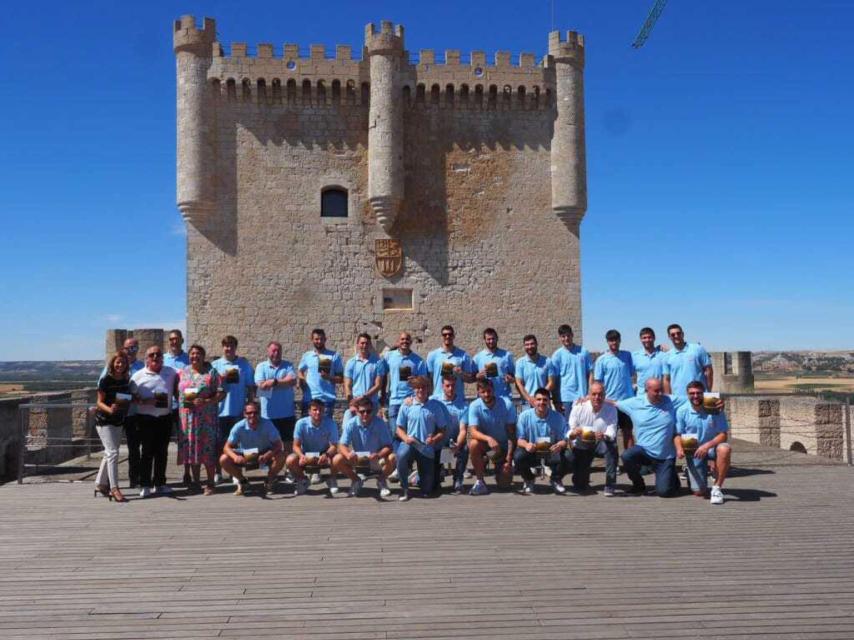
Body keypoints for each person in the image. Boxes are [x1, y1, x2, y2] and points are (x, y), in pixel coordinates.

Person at [617, 379, 680, 497]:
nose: (660, 393)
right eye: (656, 391)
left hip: (664, 456)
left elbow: (693, 400)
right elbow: (615, 403)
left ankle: (671, 476)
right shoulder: (635, 403)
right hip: (644, 451)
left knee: (664, 492)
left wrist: (716, 401)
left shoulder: (670, 400)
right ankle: (638, 484)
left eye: (661, 390)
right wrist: (590, 398)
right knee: (627, 456)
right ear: (647, 391)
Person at [130, 346, 178, 498]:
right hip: (145, 419)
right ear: (147, 359)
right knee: (147, 452)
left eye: (158, 354)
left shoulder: (170, 372)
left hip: (164, 418)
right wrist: (144, 401)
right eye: (152, 355)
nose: (155, 357)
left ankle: (160, 483)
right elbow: (130, 397)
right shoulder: (138, 376)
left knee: (162, 452)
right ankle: (145, 484)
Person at [177, 344, 224, 496]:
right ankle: (196, 482)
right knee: (192, 451)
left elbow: (221, 393)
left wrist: (207, 401)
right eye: (192, 354)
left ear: (203, 356)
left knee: (208, 450)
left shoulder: (211, 372)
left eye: (198, 354)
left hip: (206, 419)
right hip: (188, 420)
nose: (194, 356)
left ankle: (210, 483)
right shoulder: (183, 372)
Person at [676, 381, 731, 505]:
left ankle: (717, 488)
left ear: (704, 393)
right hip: (694, 451)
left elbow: (723, 435)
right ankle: (692, 474)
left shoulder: (714, 407)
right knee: (699, 492)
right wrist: (679, 448)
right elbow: (678, 434)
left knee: (725, 448)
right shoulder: (682, 411)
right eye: (692, 393)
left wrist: (707, 446)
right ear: (687, 394)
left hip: (712, 447)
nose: (695, 396)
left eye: (699, 393)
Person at [395, 376, 448, 501]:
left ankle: (418, 478)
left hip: (426, 447)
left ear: (428, 389)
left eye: (423, 387)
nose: (421, 390)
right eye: (418, 388)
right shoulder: (407, 405)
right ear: (414, 389)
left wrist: (434, 439)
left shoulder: (435, 406)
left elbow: (442, 430)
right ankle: (405, 488)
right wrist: (405, 438)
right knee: (401, 455)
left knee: (427, 489)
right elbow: (399, 428)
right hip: (410, 442)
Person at [100, 337, 144, 487]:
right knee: (112, 450)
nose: (130, 351)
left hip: (132, 413)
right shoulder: (110, 368)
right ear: (123, 349)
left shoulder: (142, 367)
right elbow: (101, 389)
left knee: (134, 448)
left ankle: (134, 480)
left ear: (138, 349)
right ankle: (106, 482)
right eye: (128, 348)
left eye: (134, 348)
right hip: (114, 415)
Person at [212, 335, 255, 482]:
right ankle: (218, 472)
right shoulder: (216, 365)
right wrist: (220, 380)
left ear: (235, 347)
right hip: (220, 411)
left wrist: (250, 405)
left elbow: (250, 386)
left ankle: (234, 472)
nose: (228, 348)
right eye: (225, 345)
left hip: (238, 411)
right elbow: (211, 388)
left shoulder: (244, 364)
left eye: (231, 345)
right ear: (222, 347)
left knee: (236, 444)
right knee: (219, 443)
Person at [220, 401, 286, 496]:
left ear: (259, 413)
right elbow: (226, 447)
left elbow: (278, 445)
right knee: (224, 459)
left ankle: (270, 480)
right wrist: (235, 457)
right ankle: (242, 481)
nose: (252, 415)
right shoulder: (238, 426)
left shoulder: (267, 424)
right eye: (249, 413)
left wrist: (268, 454)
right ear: (244, 414)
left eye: (255, 412)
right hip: (246, 454)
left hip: (264, 452)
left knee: (281, 455)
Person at [333, 397, 395, 498]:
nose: (365, 414)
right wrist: (348, 454)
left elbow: (389, 446)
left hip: (375, 459)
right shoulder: (351, 423)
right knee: (337, 459)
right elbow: (342, 445)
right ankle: (356, 480)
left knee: (392, 458)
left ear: (372, 411)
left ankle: (381, 481)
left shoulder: (380, 423)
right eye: (362, 412)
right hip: (358, 459)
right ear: (357, 412)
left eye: (368, 411)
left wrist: (378, 455)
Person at [566, 381, 619, 496]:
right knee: (580, 485)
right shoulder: (578, 407)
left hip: (600, 443)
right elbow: (570, 430)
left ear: (604, 395)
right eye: (594, 394)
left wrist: (604, 436)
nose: (597, 397)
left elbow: (612, 431)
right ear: (588, 395)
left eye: (600, 394)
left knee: (612, 446)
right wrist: (574, 433)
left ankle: (610, 484)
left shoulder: (611, 409)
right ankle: (578, 479)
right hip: (582, 444)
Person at [467, 379, 517, 496]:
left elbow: (512, 434)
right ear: (478, 392)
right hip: (487, 447)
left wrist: (509, 459)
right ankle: (480, 481)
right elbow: (473, 432)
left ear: (493, 390)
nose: (486, 394)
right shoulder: (474, 406)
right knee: (473, 444)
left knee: (504, 485)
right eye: (483, 392)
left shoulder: (507, 404)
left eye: (489, 391)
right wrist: (489, 439)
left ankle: (499, 469)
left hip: (503, 449)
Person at [514, 388, 568, 494]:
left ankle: (556, 479)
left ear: (549, 401)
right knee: (518, 456)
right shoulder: (524, 416)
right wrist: (526, 445)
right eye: (538, 399)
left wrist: (561, 444)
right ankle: (529, 479)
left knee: (569, 456)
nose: (541, 402)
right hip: (532, 452)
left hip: (551, 452)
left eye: (545, 399)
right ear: (534, 400)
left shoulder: (558, 417)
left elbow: (564, 439)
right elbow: (519, 440)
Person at [93, 351, 131, 502]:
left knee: (109, 453)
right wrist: (109, 409)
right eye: (117, 362)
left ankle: (99, 483)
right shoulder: (105, 380)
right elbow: (99, 402)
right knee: (114, 453)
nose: (120, 365)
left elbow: (126, 398)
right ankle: (114, 488)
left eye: (122, 362)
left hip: (118, 420)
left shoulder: (125, 380)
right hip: (104, 420)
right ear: (112, 363)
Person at [287, 399, 340, 495]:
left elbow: (334, 446)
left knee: (338, 458)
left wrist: (326, 454)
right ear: (309, 412)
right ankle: (303, 480)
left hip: (324, 452)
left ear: (324, 411)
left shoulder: (331, 424)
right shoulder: (300, 423)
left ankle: (332, 479)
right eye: (315, 410)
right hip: (306, 453)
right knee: (290, 460)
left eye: (320, 410)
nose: (318, 412)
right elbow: (295, 445)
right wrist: (301, 455)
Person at [593, 330, 636, 448]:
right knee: (610, 434)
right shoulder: (601, 360)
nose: (614, 342)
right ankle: (613, 463)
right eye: (611, 340)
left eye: (616, 340)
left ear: (620, 340)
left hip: (627, 401)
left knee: (628, 432)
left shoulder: (627, 355)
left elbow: (632, 373)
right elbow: (598, 383)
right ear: (607, 342)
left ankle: (630, 464)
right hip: (609, 402)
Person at [254, 341, 298, 453]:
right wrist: (283, 382)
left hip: (287, 412)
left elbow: (292, 381)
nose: (276, 353)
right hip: (268, 414)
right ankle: (271, 467)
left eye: (279, 350)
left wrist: (273, 382)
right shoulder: (261, 367)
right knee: (269, 443)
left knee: (288, 442)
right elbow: (261, 386)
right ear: (268, 351)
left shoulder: (288, 365)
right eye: (274, 350)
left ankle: (289, 468)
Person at [383, 331, 427, 426]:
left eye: (407, 339)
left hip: (411, 401)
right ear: (398, 342)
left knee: (410, 433)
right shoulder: (389, 356)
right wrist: (383, 395)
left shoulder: (418, 361)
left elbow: (424, 381)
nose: (405, 341)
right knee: (394, 433)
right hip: (394, 401)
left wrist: (415, 379)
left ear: (411, 342)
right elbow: (381, 374)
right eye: (402, 339)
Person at [434, 376, 469, 494]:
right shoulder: (434, 401)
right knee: (431, 485)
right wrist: (409, 400)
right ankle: (435, 478)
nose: (450, 388)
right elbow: (417, 400)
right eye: (447, 386)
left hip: (454, 440)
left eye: (453, 386)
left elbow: (463, 429)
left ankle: (458, 480)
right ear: (442, 386)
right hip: (437, 440)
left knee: (464, 448)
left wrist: (458, 444)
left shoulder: (463, 405)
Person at [298, 328, 344, 417]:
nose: (319, 341)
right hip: (309, 399)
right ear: (312, 340)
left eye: (321, 339)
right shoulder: (307, 356)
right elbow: (300, 370)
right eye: (316, 339)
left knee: (325, 430)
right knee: (307, 428)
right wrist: (302, 379)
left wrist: (329, 377)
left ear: (325, 339)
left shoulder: (334, 356)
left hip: (326, 400)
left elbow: (341, 379)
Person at [426, 325, 476, 404]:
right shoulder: (432, 355)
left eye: (450, 334)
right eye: (445, 335)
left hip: (457, 399)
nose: (447, 336)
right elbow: (429, 379)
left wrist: (461, 373)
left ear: (453, 336)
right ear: (441, 337)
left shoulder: (463, 355)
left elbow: (470, 379)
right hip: (438, 399)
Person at [551, 324, 593, 417]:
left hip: (582, 397)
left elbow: (590, 373)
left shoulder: (583, 352)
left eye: (568, 335)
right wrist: (556, 400)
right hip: (566, 398)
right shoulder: (557, 355)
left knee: (583, 426)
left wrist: (590, 393)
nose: (566, 338)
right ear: (560, 338)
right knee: (567, 426)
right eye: (563, 336)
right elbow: (555, 380)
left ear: (572, 335)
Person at [663, 324, 713, 397]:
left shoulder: (698, 349)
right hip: (679, 398)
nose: (676, 336)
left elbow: (709, 371)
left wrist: (708, 392)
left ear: (683, 334)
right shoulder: (667, 356)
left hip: (698, 395)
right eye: (673, 334)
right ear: (669, 337)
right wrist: (669, 398)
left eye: (678, 333)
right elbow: (666, 379)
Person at [344, 333, 386, 409]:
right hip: (356, 403)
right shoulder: (351, 363)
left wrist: (364, 397)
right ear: (357, 344)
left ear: (370, 345)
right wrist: (351, 403)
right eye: (362, 343)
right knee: (347, 420)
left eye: (367, 343)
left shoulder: (378, 362)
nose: (364, 345)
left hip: (372, 403)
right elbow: (347, 385)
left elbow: (378, 385)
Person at [514, 334, 557, 408]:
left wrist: (539, 396)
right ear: (524, 346)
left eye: (532, 344)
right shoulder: (520, 363)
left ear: (537, 344)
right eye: (527, 345)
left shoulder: (547, 361)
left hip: (544, 402)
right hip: (527, 403)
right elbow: (519, 384)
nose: (529, 347)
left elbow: (551, 382)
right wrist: (529, 399)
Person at [473, 328, 516, 401]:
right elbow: (471, 377)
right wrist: (477, 376)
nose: (491, 341)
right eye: (488, 339)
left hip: (503, 397)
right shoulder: (478, 357)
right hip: (485, 398)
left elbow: (514, 376)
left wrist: (511, 379)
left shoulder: (506, 355)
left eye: (493, 338)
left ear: (497, 339)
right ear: (485, 340)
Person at [632, 327, 666, 395]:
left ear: (654, 338)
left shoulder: (663, 356)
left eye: (649, 337)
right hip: (641, 396)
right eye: (644, 338)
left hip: (659, 395)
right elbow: (628, 374)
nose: (647, 340)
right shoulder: (635, 356)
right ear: (640, 339)